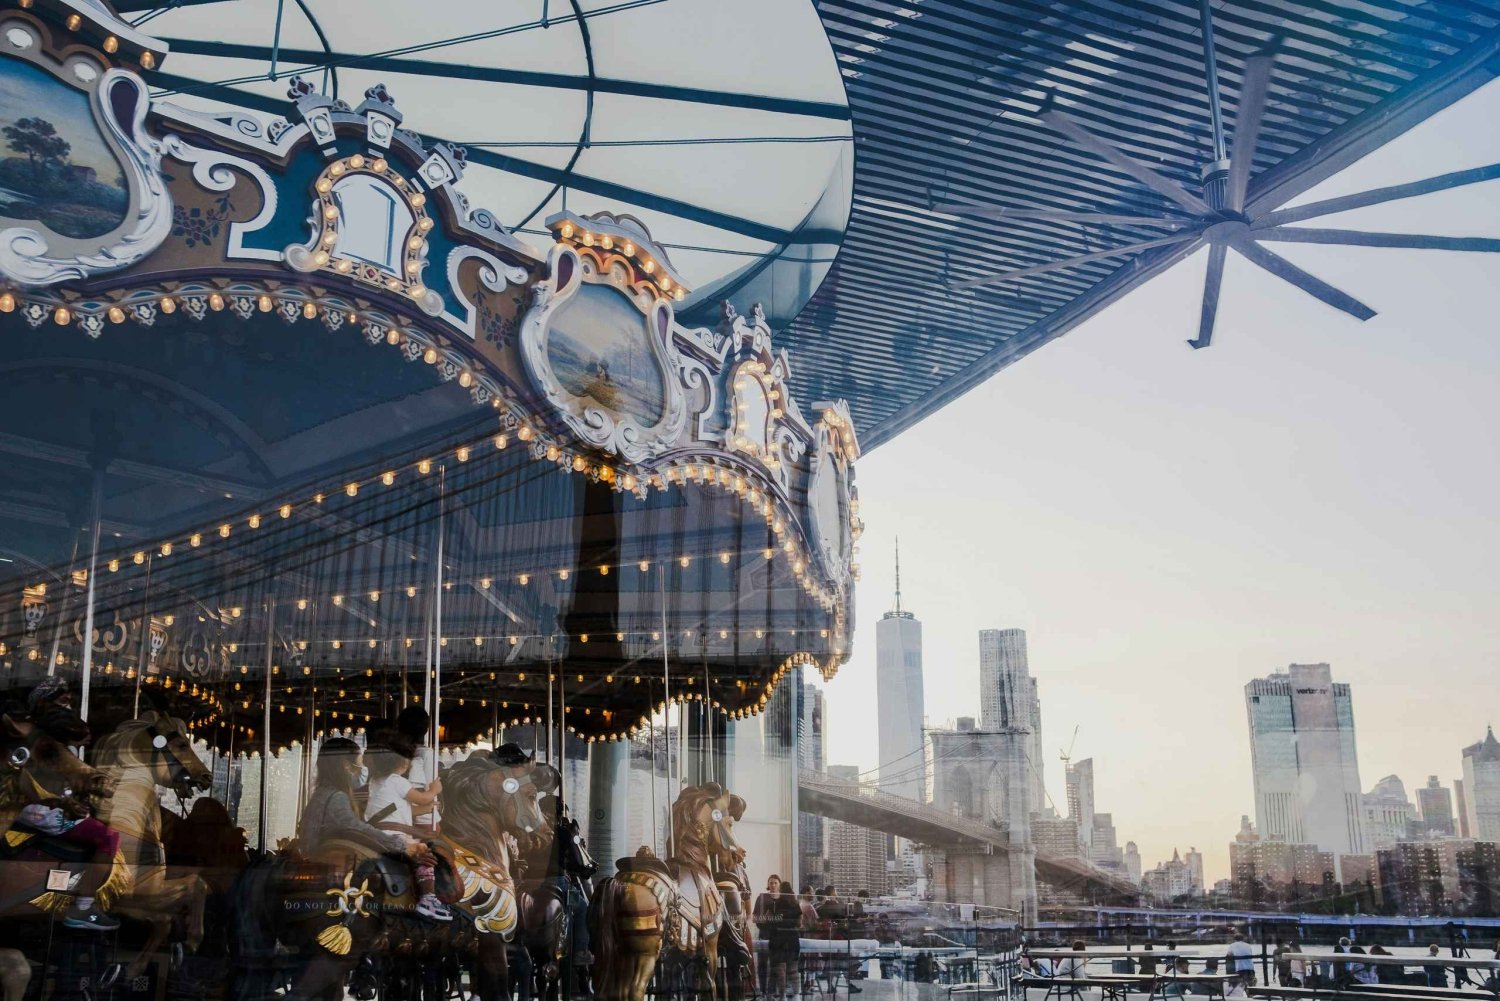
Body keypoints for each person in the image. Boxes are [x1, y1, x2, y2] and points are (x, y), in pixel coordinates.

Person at [298, 738, 437, 907]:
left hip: (314, 859)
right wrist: (400, 846)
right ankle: (428, 900)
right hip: (325, 865)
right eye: (358, 765)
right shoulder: (336, 796)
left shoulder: (322, 794)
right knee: (422, 859)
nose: (362, 770)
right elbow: (355, 829)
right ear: (346, 766)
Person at [364, 735, 451, 921]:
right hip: (394, 836)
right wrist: (435, 790)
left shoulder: (376, 781)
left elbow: (401, 811)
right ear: (403, 762)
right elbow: (423, 798)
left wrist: (428, 809)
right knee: (423, 853)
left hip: (376, 834)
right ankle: (428, 899)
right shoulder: (398, 781)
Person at [394, 707, 441, 833]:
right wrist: (436, 789)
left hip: (398, 816)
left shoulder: (396, 752)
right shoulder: (426, 753)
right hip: (422, 819)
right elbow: (430, 786)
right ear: (425, 730)